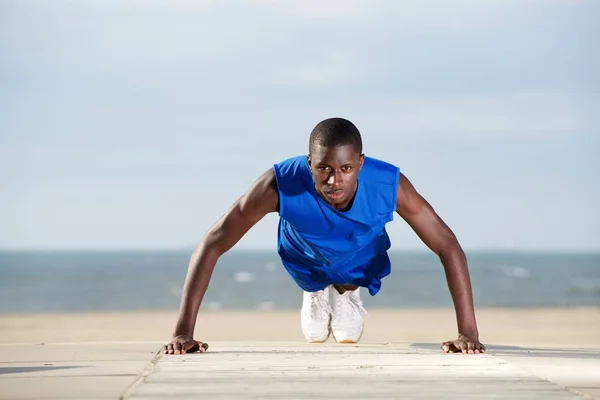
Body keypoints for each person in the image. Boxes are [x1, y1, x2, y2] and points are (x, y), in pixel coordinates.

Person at [163, 117, 486, 355]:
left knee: (355, 264)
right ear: (310, 164)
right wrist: (183, 332)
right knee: (312, 270)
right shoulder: (277, 184)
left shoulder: (390, 183)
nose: (334, 180)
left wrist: (467, 333)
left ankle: (347, 294)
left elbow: (447, 245)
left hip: (361, 252)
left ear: (360, 163)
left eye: (345, 168)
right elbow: (213, 243)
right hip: (303, 248)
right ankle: (315, 291)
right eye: (324, 169)